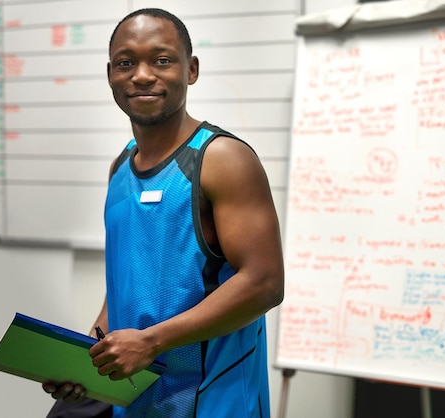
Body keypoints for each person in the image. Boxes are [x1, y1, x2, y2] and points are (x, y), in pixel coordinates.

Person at [42, 8, 284, 417]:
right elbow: (125, 284)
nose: (141, 74)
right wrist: (89, 357)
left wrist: (151, 342)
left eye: (161, 60)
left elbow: (264, 283)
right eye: (125, 62)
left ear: (191, 70)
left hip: (213, 402)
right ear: (110, 76)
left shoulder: (222, 159)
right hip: (138, 401)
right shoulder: (119, 169)